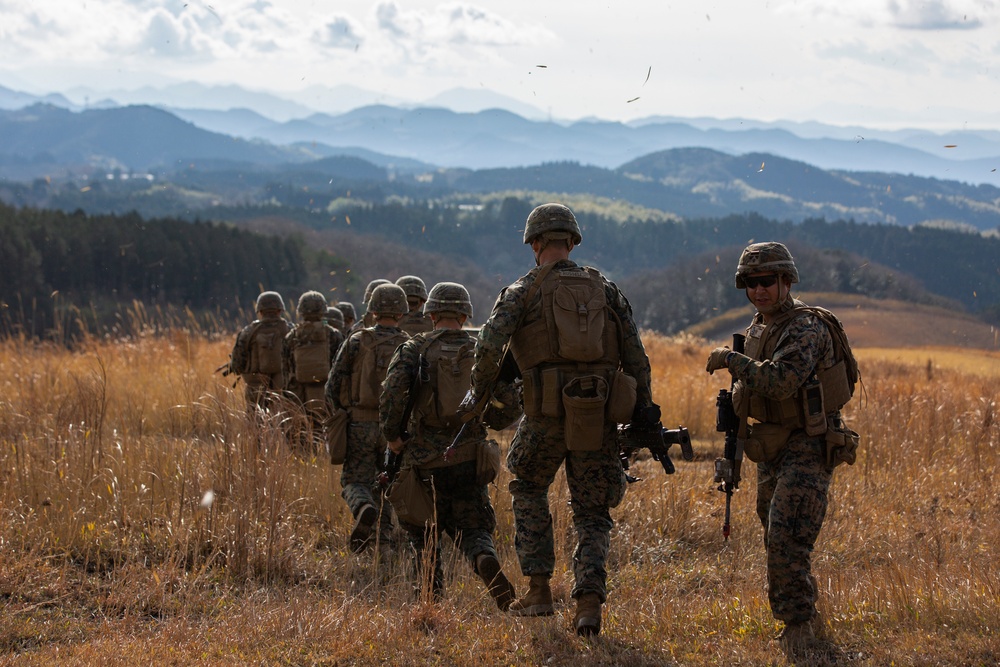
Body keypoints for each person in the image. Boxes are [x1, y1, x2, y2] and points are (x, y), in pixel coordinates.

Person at [469, 203, 654, 636]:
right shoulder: (605, 289)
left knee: (528, 486)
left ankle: (538, 591)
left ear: (535, 243)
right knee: (592, 511)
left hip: (545, 415)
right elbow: (636, 354)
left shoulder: (522, 289)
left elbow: (488, 346)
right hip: (598, 415)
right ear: (571, 242)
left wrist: (481, 394)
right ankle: (589, 603)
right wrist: (645, 407)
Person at [705, 242, 852, 653]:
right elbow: (753, 388)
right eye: (750, 283)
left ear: (786, 281)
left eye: (767, 281)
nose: (759, 290)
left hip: (808, 444)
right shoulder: (760, 327)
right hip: (772, 444)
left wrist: (731, 362)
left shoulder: (805, 327)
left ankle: (799, 623)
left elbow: (782, 380)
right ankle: (799, 616)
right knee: (774, 533)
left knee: (788, 534)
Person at [380, 282, 516, 609]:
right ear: (466, 313)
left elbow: (392, 398)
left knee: (423, 533)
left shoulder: (413, 349)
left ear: (432, 313)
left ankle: (431, 599)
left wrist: (393, 437)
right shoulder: (482, 351)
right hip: (469, 458)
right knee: (474, 526)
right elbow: (509, 407)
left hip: (423, 461)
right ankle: (484, 557)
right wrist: (485, 421)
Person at [326, 283, 410, 553]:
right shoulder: (409, 345)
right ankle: (382, 542)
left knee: (354, 481)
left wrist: (344, 411)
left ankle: (363, 507)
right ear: (401, 313)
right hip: (394, 429)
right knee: (386, 483)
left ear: (372, 311)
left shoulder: (356, 340)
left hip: (359, 423)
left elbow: (332, 384)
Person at [282, 292, 344, 453]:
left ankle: (302, 461)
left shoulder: (292, 336)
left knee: (300, 431)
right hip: (325, 394)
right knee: (325, 429)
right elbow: (341, 366)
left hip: (299, 393)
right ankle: (325, 462)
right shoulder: (334, 335)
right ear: (323, 310)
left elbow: (286, 367)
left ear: (301, 311)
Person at [228, 291, 291, 413]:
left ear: (260, 311)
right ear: (279, 310)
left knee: (256, 423)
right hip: (284, 388)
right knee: (285, 423)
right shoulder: (290, 330)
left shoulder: (247, 332)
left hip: (256, 389)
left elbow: (236, 366)